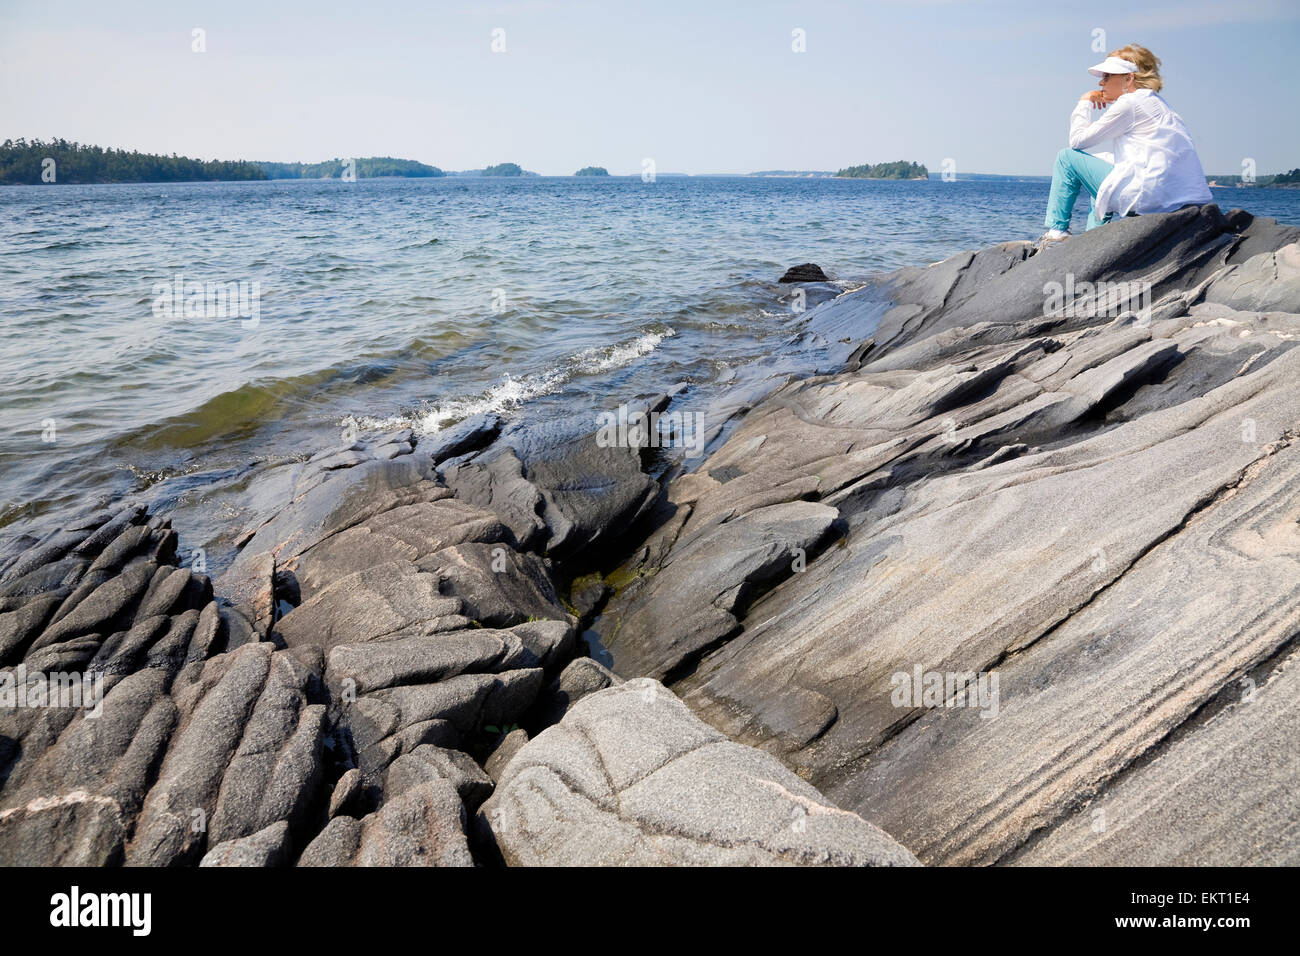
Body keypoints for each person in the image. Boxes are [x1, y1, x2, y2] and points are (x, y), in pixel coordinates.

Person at [1039, 44, 1212, 245]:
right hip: (1177, 200)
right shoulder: (1159, 105)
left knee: (1066, 157)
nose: (1101, 83)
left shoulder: (1130, 104)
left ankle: (1057, 232)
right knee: (1109, 169)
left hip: (1146, 199)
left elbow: (1078, 141)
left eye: (1107, 76)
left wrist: (1084, 102)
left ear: (1128, 78)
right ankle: (1093, 236)